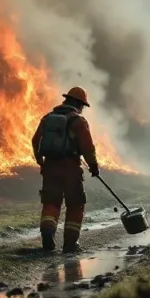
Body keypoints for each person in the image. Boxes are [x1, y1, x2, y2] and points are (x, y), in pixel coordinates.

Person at [30, 86, 99, 253]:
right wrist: (93, 166)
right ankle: (70, 244)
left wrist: (40, 161)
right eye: (82, 105)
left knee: (51, 203)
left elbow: (35, 140)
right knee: (75, 204)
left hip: (50, 168)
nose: (82, 109)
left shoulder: (47, 118)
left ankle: (47, 235)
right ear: (77, 103)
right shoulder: (78, 121)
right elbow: (88, 148)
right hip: (71, 170)